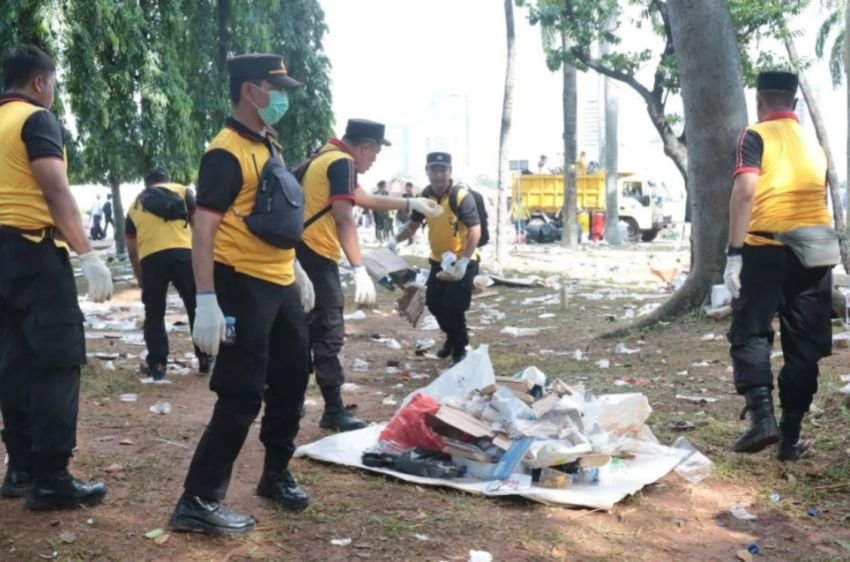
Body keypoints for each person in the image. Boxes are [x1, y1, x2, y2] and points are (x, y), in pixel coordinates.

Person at [168, 53, 315, 537]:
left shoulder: (267, 143)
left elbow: (270, 213)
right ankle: (198, 499)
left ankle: (275, 473)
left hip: (278, 283)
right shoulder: (226, 151)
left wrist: (294, 265)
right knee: (240, 394)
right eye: (276, 90)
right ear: (251, 92)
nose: (283, 99)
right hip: (241, 286)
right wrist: (206, 298)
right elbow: (204, 228)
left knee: (292, 380)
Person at [0, 45, 113, 510]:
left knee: (11, 363)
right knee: (57, 360)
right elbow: (54, 187)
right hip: (33, 253)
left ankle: (20, 468)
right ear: (39, 82)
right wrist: (87, 254)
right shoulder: (36, 119)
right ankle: (51, 477)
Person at [297, 119, 442, 432]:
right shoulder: (342, 162)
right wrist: (359, 267)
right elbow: (344, 218)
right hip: (317, 257)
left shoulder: (325, 155)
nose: (374, 159)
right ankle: (333, 409)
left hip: (301, 255)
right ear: (364, 147)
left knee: (303, 330)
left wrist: (409, 202)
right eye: (374, 153)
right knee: (327, 333)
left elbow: (365, 199)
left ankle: (294, 403)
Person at [724, 70, 835, 461]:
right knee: (804, 346)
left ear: (759, 100)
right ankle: (789, 438)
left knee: (751, 333)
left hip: (765, 247)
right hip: (817, 251)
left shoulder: (754, 135)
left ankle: (762, 419)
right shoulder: (814, 143)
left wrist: (734, 253)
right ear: (794, 102)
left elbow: (745, 191)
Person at [391, 152, 481, 364]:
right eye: (434, 169)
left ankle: (460, 346)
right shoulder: (426, 195)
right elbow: (412, 226)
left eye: (443, 170)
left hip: (463, 261)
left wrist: (465, 261)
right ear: (427, 171)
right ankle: (451, 336)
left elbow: (475, 230)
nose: (438, 175)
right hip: (438, 260)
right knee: (434, 304)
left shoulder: (461, 196)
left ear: (450, 171)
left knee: (454, 306)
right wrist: (394, 241)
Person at [125, 167, 212, 381]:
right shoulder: (184, 191)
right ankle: (204, 358)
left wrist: (140, 278)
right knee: (195, 306)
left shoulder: (135, 204)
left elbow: (132, 250)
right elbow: (199, 227)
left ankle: (158, 364)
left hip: (151, 260)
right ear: (166, 180)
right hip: (183, 256)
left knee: (154, 313)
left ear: (146, 185)